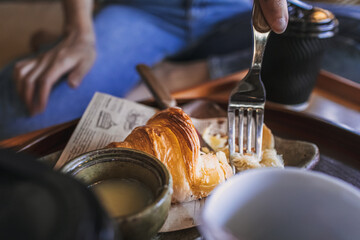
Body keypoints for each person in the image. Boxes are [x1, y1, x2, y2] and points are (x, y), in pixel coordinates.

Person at [0, 0, 288, 140]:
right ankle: (82, 41)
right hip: (150, 11)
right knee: (20, 120)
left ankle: (172, 75)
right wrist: (79, 30)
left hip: (239, 12)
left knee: (321, 39)